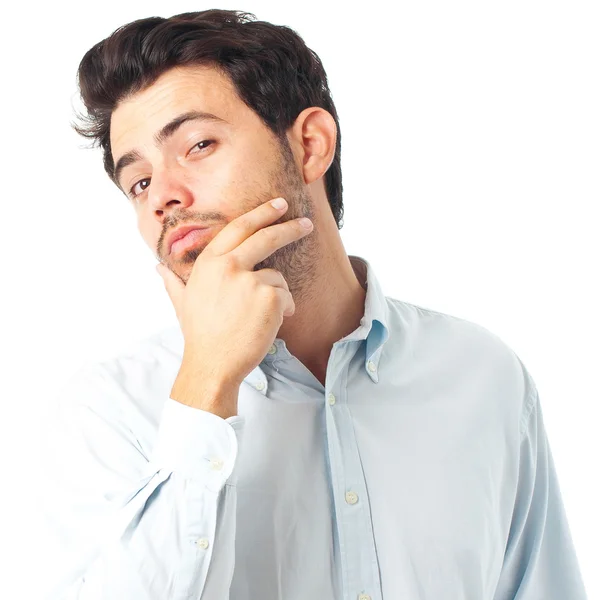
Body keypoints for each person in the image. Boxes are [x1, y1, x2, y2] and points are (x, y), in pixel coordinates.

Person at [37, 9, 588, 600]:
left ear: (309, 145)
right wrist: (206, 384)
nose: (164, 197)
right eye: (139, 182)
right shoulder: (112, 412)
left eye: (197, 144)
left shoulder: (483, 376)